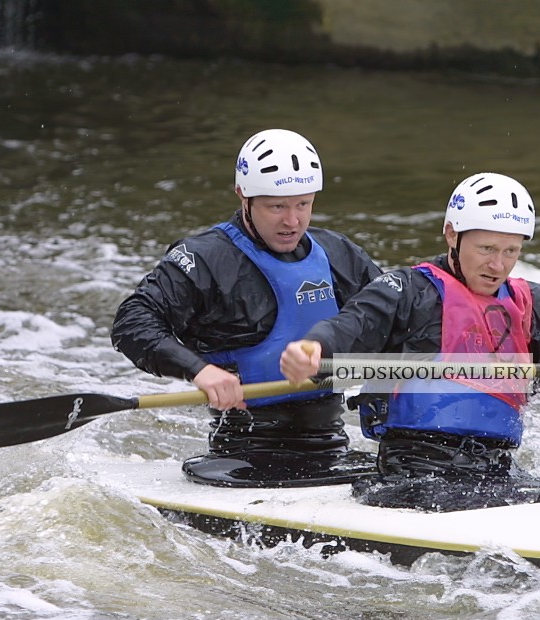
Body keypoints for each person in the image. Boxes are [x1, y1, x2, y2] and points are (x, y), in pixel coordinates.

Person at [279, 172, 540, 510]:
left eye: (510, 252)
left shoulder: (530, 303)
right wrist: (314, 348)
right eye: (486, 249)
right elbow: (350, 326)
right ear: (452, 235)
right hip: (415, 471)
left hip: (496, 471)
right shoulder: (406, 292)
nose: (498, 265)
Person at [111, 129, 383, 487]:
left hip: (330, 447)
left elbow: (402, 320)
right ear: (244, 195)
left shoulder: (337, 253)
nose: (292, 221)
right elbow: (132, 322)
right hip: (242, 453)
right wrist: (199, 371)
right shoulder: (205, 259)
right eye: (276, 206)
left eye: (303, 204)